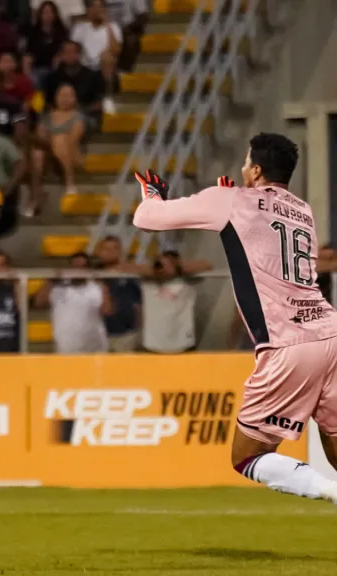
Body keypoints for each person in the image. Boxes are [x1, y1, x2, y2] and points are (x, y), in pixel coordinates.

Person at [133, 133, 337, 504]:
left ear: (256, 170)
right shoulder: (302, 209)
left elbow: (146, 219)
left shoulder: (229, 200)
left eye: (246, 162)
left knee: (247, 456)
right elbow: (263, 239)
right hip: (330, 331)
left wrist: (153, 194)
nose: (243, 169)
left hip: (289, 342)